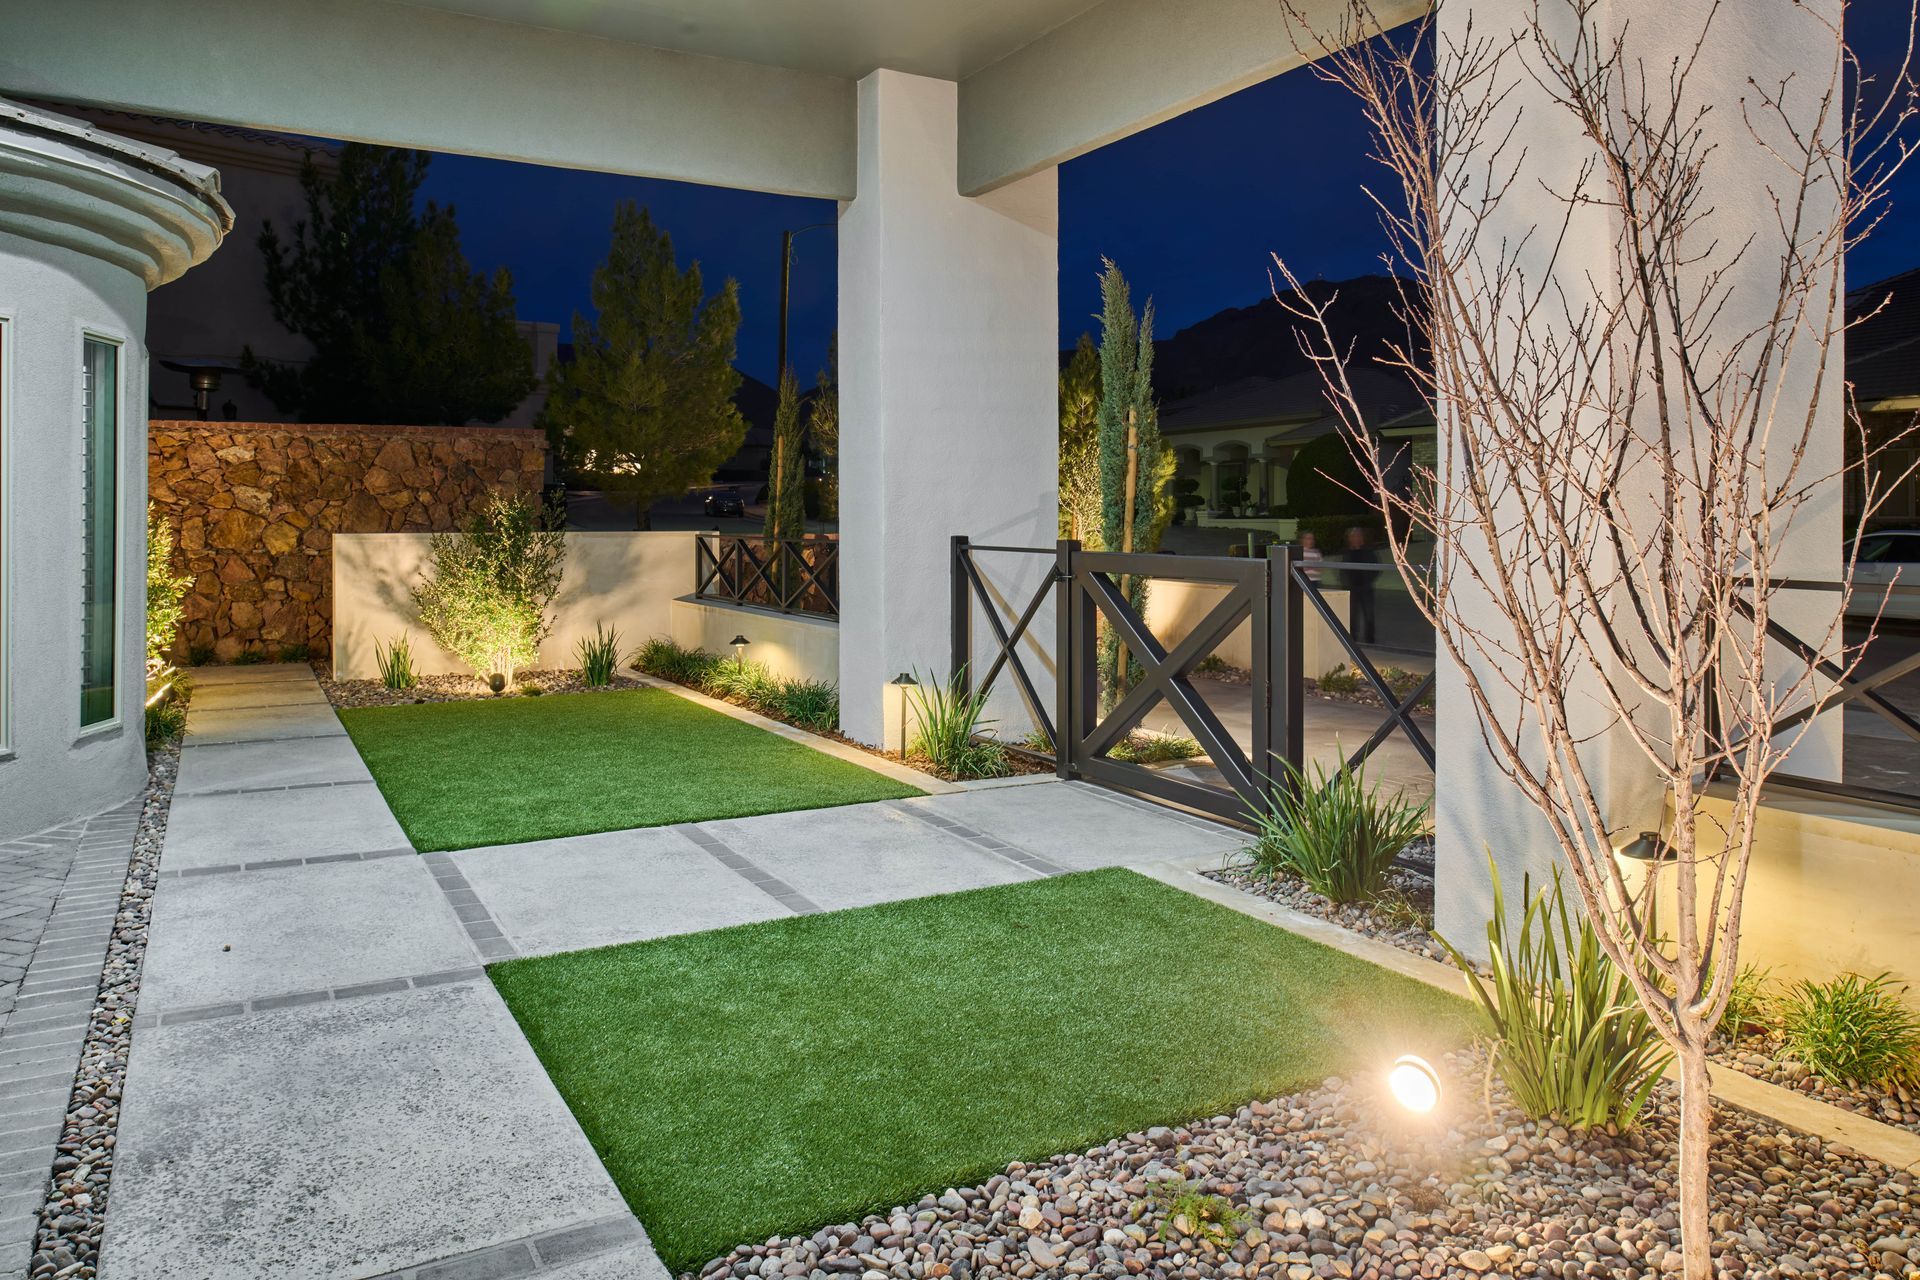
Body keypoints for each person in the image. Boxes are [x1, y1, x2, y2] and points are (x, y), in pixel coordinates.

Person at [1342, 526, 1377, 645]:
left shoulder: (1368, 551)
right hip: (1352, 588)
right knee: (1352, 615)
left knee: (1369, 615)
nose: (1355, 538)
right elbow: (1343, 569)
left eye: (1357, 535)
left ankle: (1370, 639)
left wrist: (1368, 580)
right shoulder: (1347, 552)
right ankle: (1353, 639)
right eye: (1353, 536)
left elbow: (1376, 568)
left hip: (1366, 588)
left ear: (1361, 538)